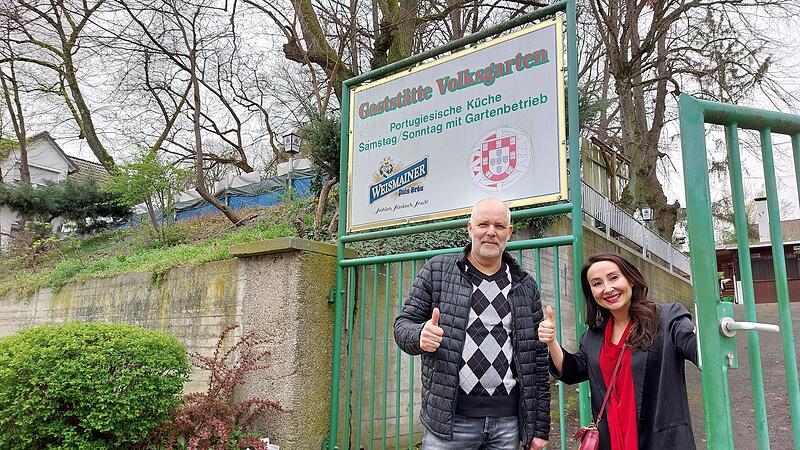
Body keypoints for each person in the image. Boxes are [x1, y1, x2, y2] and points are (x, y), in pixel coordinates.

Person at [394, 198, 550, 450]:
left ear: (509, 233)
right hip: (449, 421)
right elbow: (403, 325)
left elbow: (538, 360)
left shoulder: (525, 285)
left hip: (507, 423)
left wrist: (539, 428)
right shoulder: (438, 270)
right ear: (470, 228)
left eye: (499, 226)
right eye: (483, 224)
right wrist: (419, 335)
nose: (491, 232)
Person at [538, 252, 698, 449]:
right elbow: (572, 370)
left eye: (614, 278)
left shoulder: (666, 318)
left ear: (630, 279)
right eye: (597, 284)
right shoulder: (593, 337)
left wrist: (705, 341)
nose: (607, 288)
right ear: (592, 293)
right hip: (611, 441)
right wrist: (552, 341)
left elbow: (695, 345)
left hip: (660, 441)